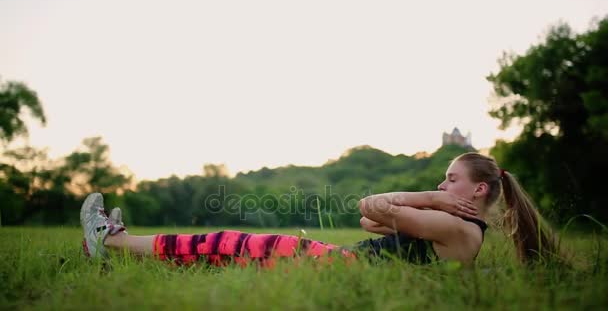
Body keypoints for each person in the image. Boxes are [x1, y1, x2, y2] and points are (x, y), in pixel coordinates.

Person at [80, 152, 558, 267]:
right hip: (338, 259)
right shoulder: (458, 230)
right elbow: (371, 220)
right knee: (224, 250)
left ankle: (111, 240)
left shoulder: (457, 228)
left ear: (477, 192)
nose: (441, 184)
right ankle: (114, 244)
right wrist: (417, 208)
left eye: (451, 180)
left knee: (225, 242)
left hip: (333, 264)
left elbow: (367, 204)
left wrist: (431, 200)